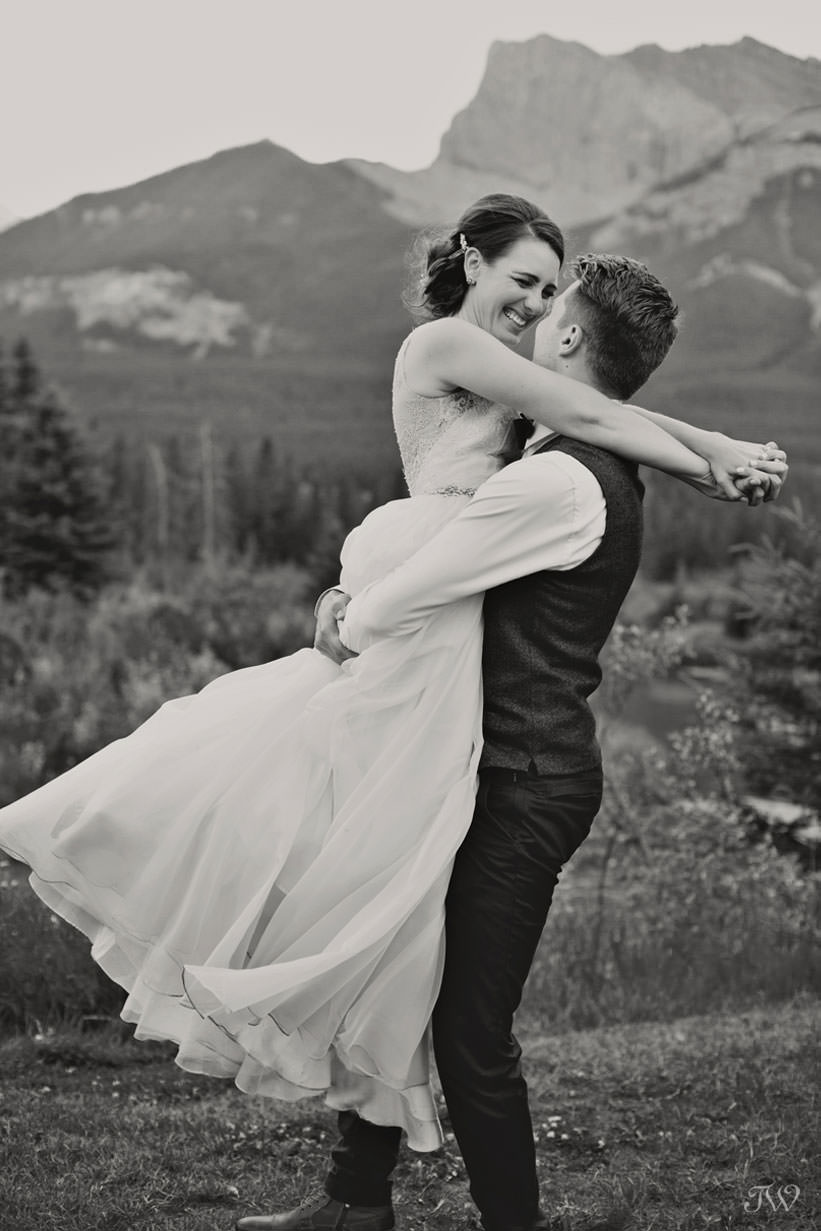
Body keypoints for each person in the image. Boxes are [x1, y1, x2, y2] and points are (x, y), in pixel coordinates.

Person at [0, 198, 783, 1227]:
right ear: (470, 259)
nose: (536, 306)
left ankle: (391, 1194)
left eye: (552, 294)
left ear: (570, 332)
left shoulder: (558, 472)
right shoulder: (453, 347)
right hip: (437, 668)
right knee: (386, 931)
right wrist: (714, 452)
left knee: (437, 988)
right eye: (525, 282)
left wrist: (711, 446)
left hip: (479, 711)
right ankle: (353, 1196)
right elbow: (591, 406)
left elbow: (595, 408)